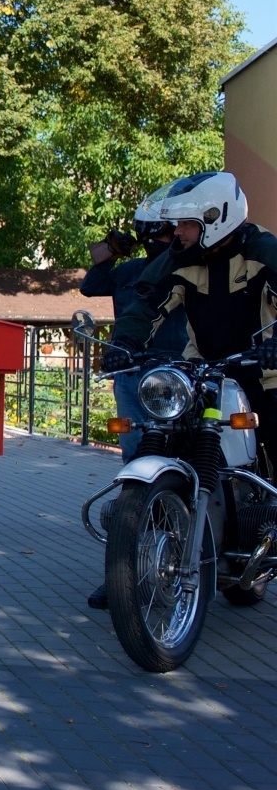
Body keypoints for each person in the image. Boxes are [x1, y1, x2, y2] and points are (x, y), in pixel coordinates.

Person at [96, 170, 277, 609]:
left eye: (185, 224)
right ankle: (128, 560)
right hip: (205, 372)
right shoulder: (181, 258)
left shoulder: (264, 251)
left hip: (265, 374)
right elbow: (148, 302)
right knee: (166, 445)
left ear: (216, 218)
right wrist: (124, 345)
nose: (176, 233)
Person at [79, 197, 187, 462]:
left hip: (173, 369)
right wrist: (111, 250)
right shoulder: (129, 271)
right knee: (133, 445)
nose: (168, 239)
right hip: (129, 369)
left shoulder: (186, 271)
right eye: (162, 233)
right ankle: (135, 497)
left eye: (169, 233)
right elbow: (89, 287)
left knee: (175, 440)